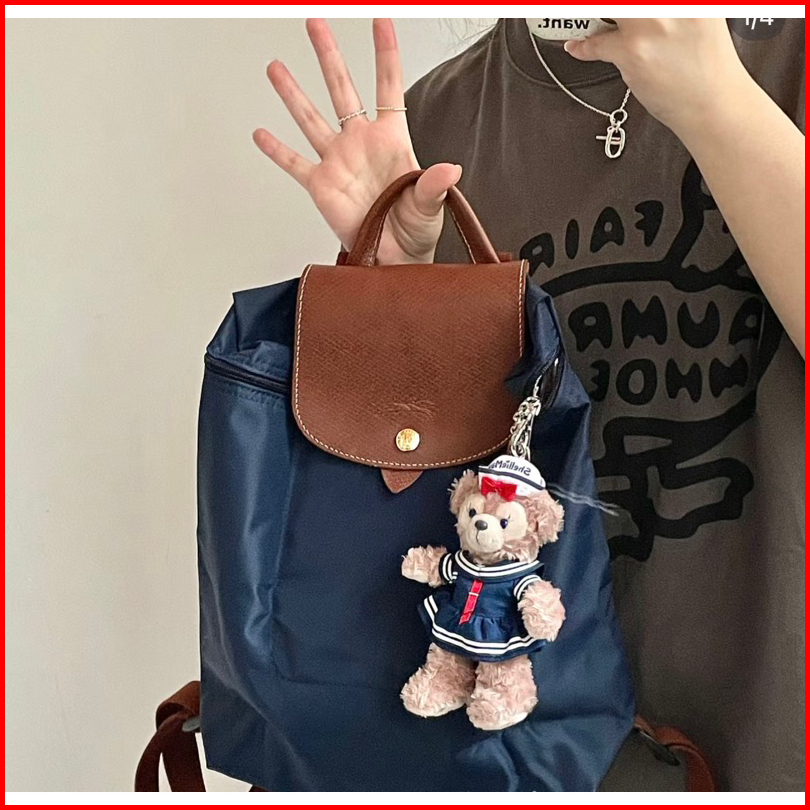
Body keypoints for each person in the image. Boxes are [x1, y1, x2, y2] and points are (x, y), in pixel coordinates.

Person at [252, 18, 805, 791]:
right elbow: (435, 483)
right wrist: (400, 293)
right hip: (525, 758)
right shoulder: (433, 121)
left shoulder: (787, 56)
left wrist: (717, 104)